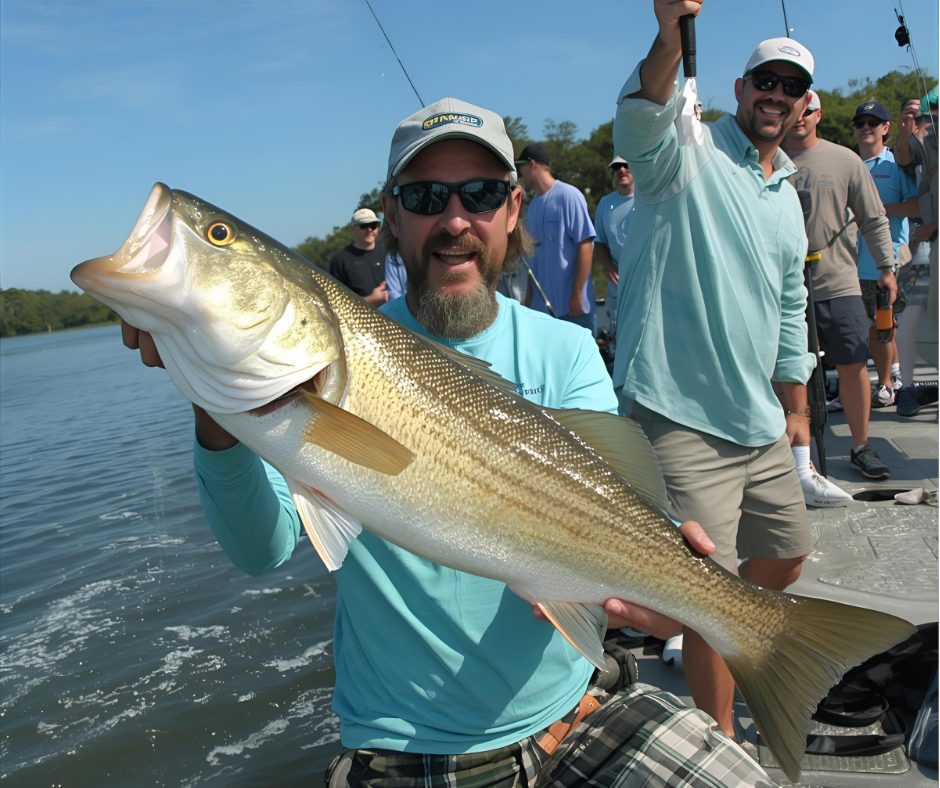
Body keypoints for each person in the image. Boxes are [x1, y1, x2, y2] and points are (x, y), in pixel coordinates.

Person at [123, 94, 774, 786]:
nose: (455, 219)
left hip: (577, 712)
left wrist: (671, 575)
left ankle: (772, 641)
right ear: (394, 212)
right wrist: (213, 408)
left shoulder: (567, 351)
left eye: (482, 194)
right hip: (402, 750)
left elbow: (608, 508)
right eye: (427, 195)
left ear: (514, 209)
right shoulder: (309, 377)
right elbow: (263, 550)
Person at [613, 1, 816, 746]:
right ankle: (720, 739)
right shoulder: (686, 149)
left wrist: (794, 407)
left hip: (758, 419)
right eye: (766, 79)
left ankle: (712, 632)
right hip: (678, 409)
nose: (777, 94)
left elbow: (791, 306)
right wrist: (668, 38)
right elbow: (638, 117)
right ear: (739, 86)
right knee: (711, 592)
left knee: (787, 554)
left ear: (803, 107)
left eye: (791, 87)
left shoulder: (787, 196)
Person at [785, 91, 898, 480]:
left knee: (852, 362)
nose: (800, 117)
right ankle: (796, 456)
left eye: (808, 110)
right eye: (794, 109)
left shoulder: (846, 160)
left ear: (819, 114)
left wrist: (886, 268)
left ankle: (860, 445)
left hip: (839, 282)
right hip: (783, 289)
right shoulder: (763, 157)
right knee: (787, 371)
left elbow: (874, 217)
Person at [850, 100, 918, 407]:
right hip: (850, 263)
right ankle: (887, 377)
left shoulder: (895, 166)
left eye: (873, 123)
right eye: (860, 123)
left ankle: (888, 384)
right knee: (868, 325)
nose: (866, 128)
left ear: (885, 129)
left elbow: (918, 206)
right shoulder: (848, 165)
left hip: (885, 263)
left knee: (883, 323)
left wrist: (877, 212)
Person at [515, 142, 597, 333]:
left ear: (532, 165)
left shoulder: (569, 196)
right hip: (542, 313)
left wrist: (577, 293)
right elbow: (532, 260)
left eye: (521, 168)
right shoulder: (533, 206)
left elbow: (586, 245)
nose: (520, 175)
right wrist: (527, 303)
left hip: (573, 309)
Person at [894, 91, 939, 417]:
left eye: (933, 114)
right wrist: (907, 128)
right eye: (926, 115)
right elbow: (903, 158)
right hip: (924, 249)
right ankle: (906, 386)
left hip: (927, 240)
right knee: (911, 315)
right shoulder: (924, 146)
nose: (930, 121)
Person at [593, 156, 636, 338]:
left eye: (626, 166)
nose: (622, 170)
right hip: (617, 286)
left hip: (644, 281)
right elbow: (599, 241)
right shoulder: (605, 203)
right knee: (619, 335)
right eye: (617, 167)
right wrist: (608, 266)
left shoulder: (648, 199)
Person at [328, 208, 388, 305]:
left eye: (373, 225)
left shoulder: (389, 253)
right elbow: (336, 302)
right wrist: (371, 299)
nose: (369, 229)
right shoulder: (340, 260)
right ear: (353, 230)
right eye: (363, 226)